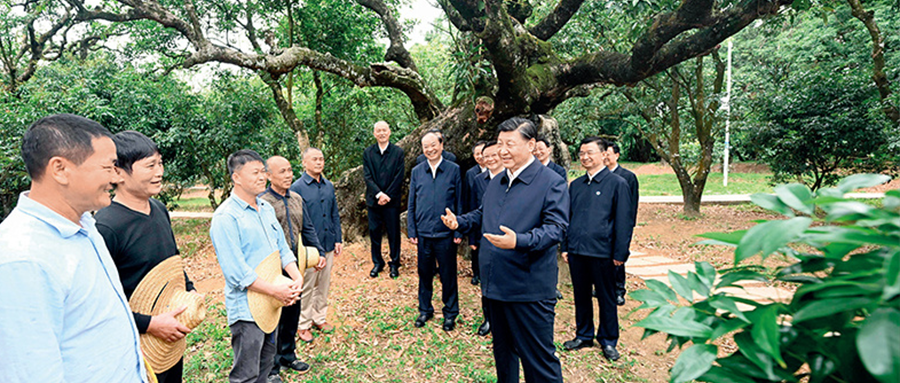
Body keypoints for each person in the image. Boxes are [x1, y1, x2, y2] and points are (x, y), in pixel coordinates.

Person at [0, 114, 148, 382]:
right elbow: (31, 373)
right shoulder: (22, 258)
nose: (116, 176)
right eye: (109, 166)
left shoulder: (85, 226)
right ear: (60, 169)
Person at [442, 117, 569, 383]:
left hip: (529, 289)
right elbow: (483, 213)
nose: (502, 150)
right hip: (495, 285)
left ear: (531, 144)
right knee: (503, 355)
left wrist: (519, 241)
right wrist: (460, 222)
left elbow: (556, 229)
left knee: (539, 362)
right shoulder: (498, 181)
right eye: (500, 144)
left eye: (510, 144)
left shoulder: (551, 181)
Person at [95, 130, 197, 383]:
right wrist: (149, 324)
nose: (159, 172)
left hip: (169, 335)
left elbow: (172, 260)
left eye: (160, 163)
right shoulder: (106, 226)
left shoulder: (159, 209)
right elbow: (100, 300)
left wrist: (189, 289)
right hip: (133, 341)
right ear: (118, 173)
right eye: (150, 166)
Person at [210, 149, 306, 383]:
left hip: (271, 304)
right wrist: (275, 291)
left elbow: (282, 248)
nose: (262, 177)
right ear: (236, 177)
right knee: (246, 375)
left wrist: (297, 277)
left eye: (263, 171)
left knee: (266, 366)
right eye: (255, 172)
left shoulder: (266, 209)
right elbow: (237, 274)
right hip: (247, 310)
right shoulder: (226, 217)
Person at [561, 137, 634, 361]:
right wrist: (566, 246)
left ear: (603, 154)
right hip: (577, 251)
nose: (585, 157)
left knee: (606, 298)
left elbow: (624, 221)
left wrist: (620, 253)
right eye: (582, 153)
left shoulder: (617, 184)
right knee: (581, 296)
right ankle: (583, 335)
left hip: (604, 252)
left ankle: (608, 340)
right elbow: (568, 218)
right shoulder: (576, 185)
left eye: (590, 152)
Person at [259, 155, 325, 379]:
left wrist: (319, 252)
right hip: (271, 266)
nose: (288, 175)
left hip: (295, 263)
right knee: (274, 315)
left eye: (290, 170)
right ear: (269, 176)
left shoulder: (297, 198)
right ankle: (271, 366)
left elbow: (307, 228)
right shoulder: (262, 201)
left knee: (292, 311)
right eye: (282, 172)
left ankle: (288, 355)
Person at [408, 131, 463, 331]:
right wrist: (412, 230)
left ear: (441, 145)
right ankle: (425, 310)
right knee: (424, 273)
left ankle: (450, 313)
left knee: (448, 275)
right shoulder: (417, 171)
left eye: (433, 145)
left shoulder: (453, 169)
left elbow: (459, 201)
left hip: (445, 233)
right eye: (426, 146)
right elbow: (412, 203)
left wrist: (458, 230)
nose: (430, 149)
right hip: (423, 233)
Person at [290, 148, 342, 342]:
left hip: (328, 242)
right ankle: (303, 324)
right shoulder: (297, 188)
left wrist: (338, 238)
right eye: (314, 159)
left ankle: (319, 317)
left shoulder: (328, 186)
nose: (319, 162)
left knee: (323, 284)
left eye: (321, 159)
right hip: (309, 248)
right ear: (304, 163)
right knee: (307, 285)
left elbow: (334, 213)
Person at [470, 140, 504, 337]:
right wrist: (473, 238)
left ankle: (504, 320)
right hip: (485, 238)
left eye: (494, 155)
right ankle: (488, 318)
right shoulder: (478, 180)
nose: (490, 159)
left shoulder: (512, 179)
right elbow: (476, 210)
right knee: (486, 283)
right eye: (486, 156)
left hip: (509, 241)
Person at [362, 121, 405, 278]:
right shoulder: (368, 153)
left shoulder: (398, 152)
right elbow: (367, 176)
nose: (381, 133)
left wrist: (387, 195)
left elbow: (399, 176)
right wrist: (379, 194)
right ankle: (377, 263)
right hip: (374, 200)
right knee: (374, 232)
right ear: (374, 133)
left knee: (393, 233)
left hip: (392, 201)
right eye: (378, 131)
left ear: (389, 132)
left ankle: (394, 263)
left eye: (384, 130)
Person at [606, 142, 639, 306]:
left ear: (617, 155)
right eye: (603, 154)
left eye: (608, 154)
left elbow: (632, 204)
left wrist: (628, 225)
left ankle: (619, 290)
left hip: (620, 224)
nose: (605, 157)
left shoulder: (628, 177)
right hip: (603, 225)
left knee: (618, 258)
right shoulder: (600, 175)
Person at [463, 140, 487, 285]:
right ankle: (476, 273)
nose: (480, 156)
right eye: (477, 154)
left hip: (490, 214)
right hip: (475, 212)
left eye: (482, 153)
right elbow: (467, 197)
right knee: (475, 246)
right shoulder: (470, 173)